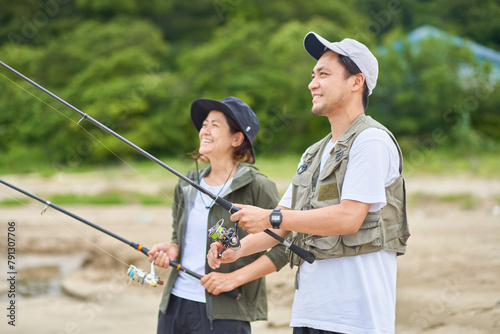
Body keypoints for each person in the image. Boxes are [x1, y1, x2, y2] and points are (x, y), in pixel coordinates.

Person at [208, 33, 410, 333]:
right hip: (309, 315)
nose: (312, 84)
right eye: (312, 75)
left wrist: (270, 216)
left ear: (357, 82)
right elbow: (283, 224)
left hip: (356, 320)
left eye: (323, 74)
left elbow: (350, 217)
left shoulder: (371, 141)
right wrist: (239, 249)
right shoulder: (313, 153)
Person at [147, 96, 288, 334]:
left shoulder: (259, 186)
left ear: (237, 138)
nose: (205, 129)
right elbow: (178, 237)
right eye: (204, 124)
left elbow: (285, 246)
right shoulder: (187, 183)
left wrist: (235, 279)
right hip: (175, 306)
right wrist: (173, 249)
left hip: (227, 313)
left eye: (215, 124)